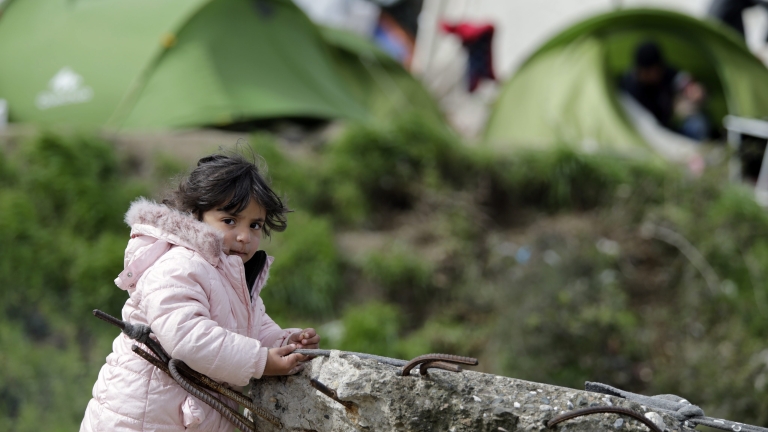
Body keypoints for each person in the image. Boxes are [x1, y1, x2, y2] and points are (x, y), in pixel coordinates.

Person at [80, 151, 320, 431]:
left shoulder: (229, 274)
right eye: (230, 221)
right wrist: (261, 361)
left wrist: (285, 342)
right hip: (139, 420)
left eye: (255, 225)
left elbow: (250, 328)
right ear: (197, 214)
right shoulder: (179, 265)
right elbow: (187, 336)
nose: (244, 236)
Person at [620, 40, 711, 142]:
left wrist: (695, 91)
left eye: (656, 70)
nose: (654, 74)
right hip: (641, 133)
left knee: (698, 124)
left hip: (667, 131)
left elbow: (686, 83)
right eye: (648, 72)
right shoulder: (629, 86)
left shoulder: (667, 73)